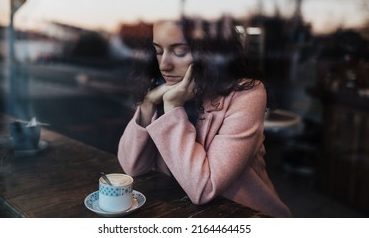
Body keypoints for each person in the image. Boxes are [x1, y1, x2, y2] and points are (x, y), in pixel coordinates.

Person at [117, 19, 292, 217]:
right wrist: (148, 104)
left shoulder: (247, 94)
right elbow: (132, 167)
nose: (164, 64)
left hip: (242, 216)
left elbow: (204, 189)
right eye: (158, 51)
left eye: (180, 51)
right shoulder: (159, 88)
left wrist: (173, 107)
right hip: (179, 210)